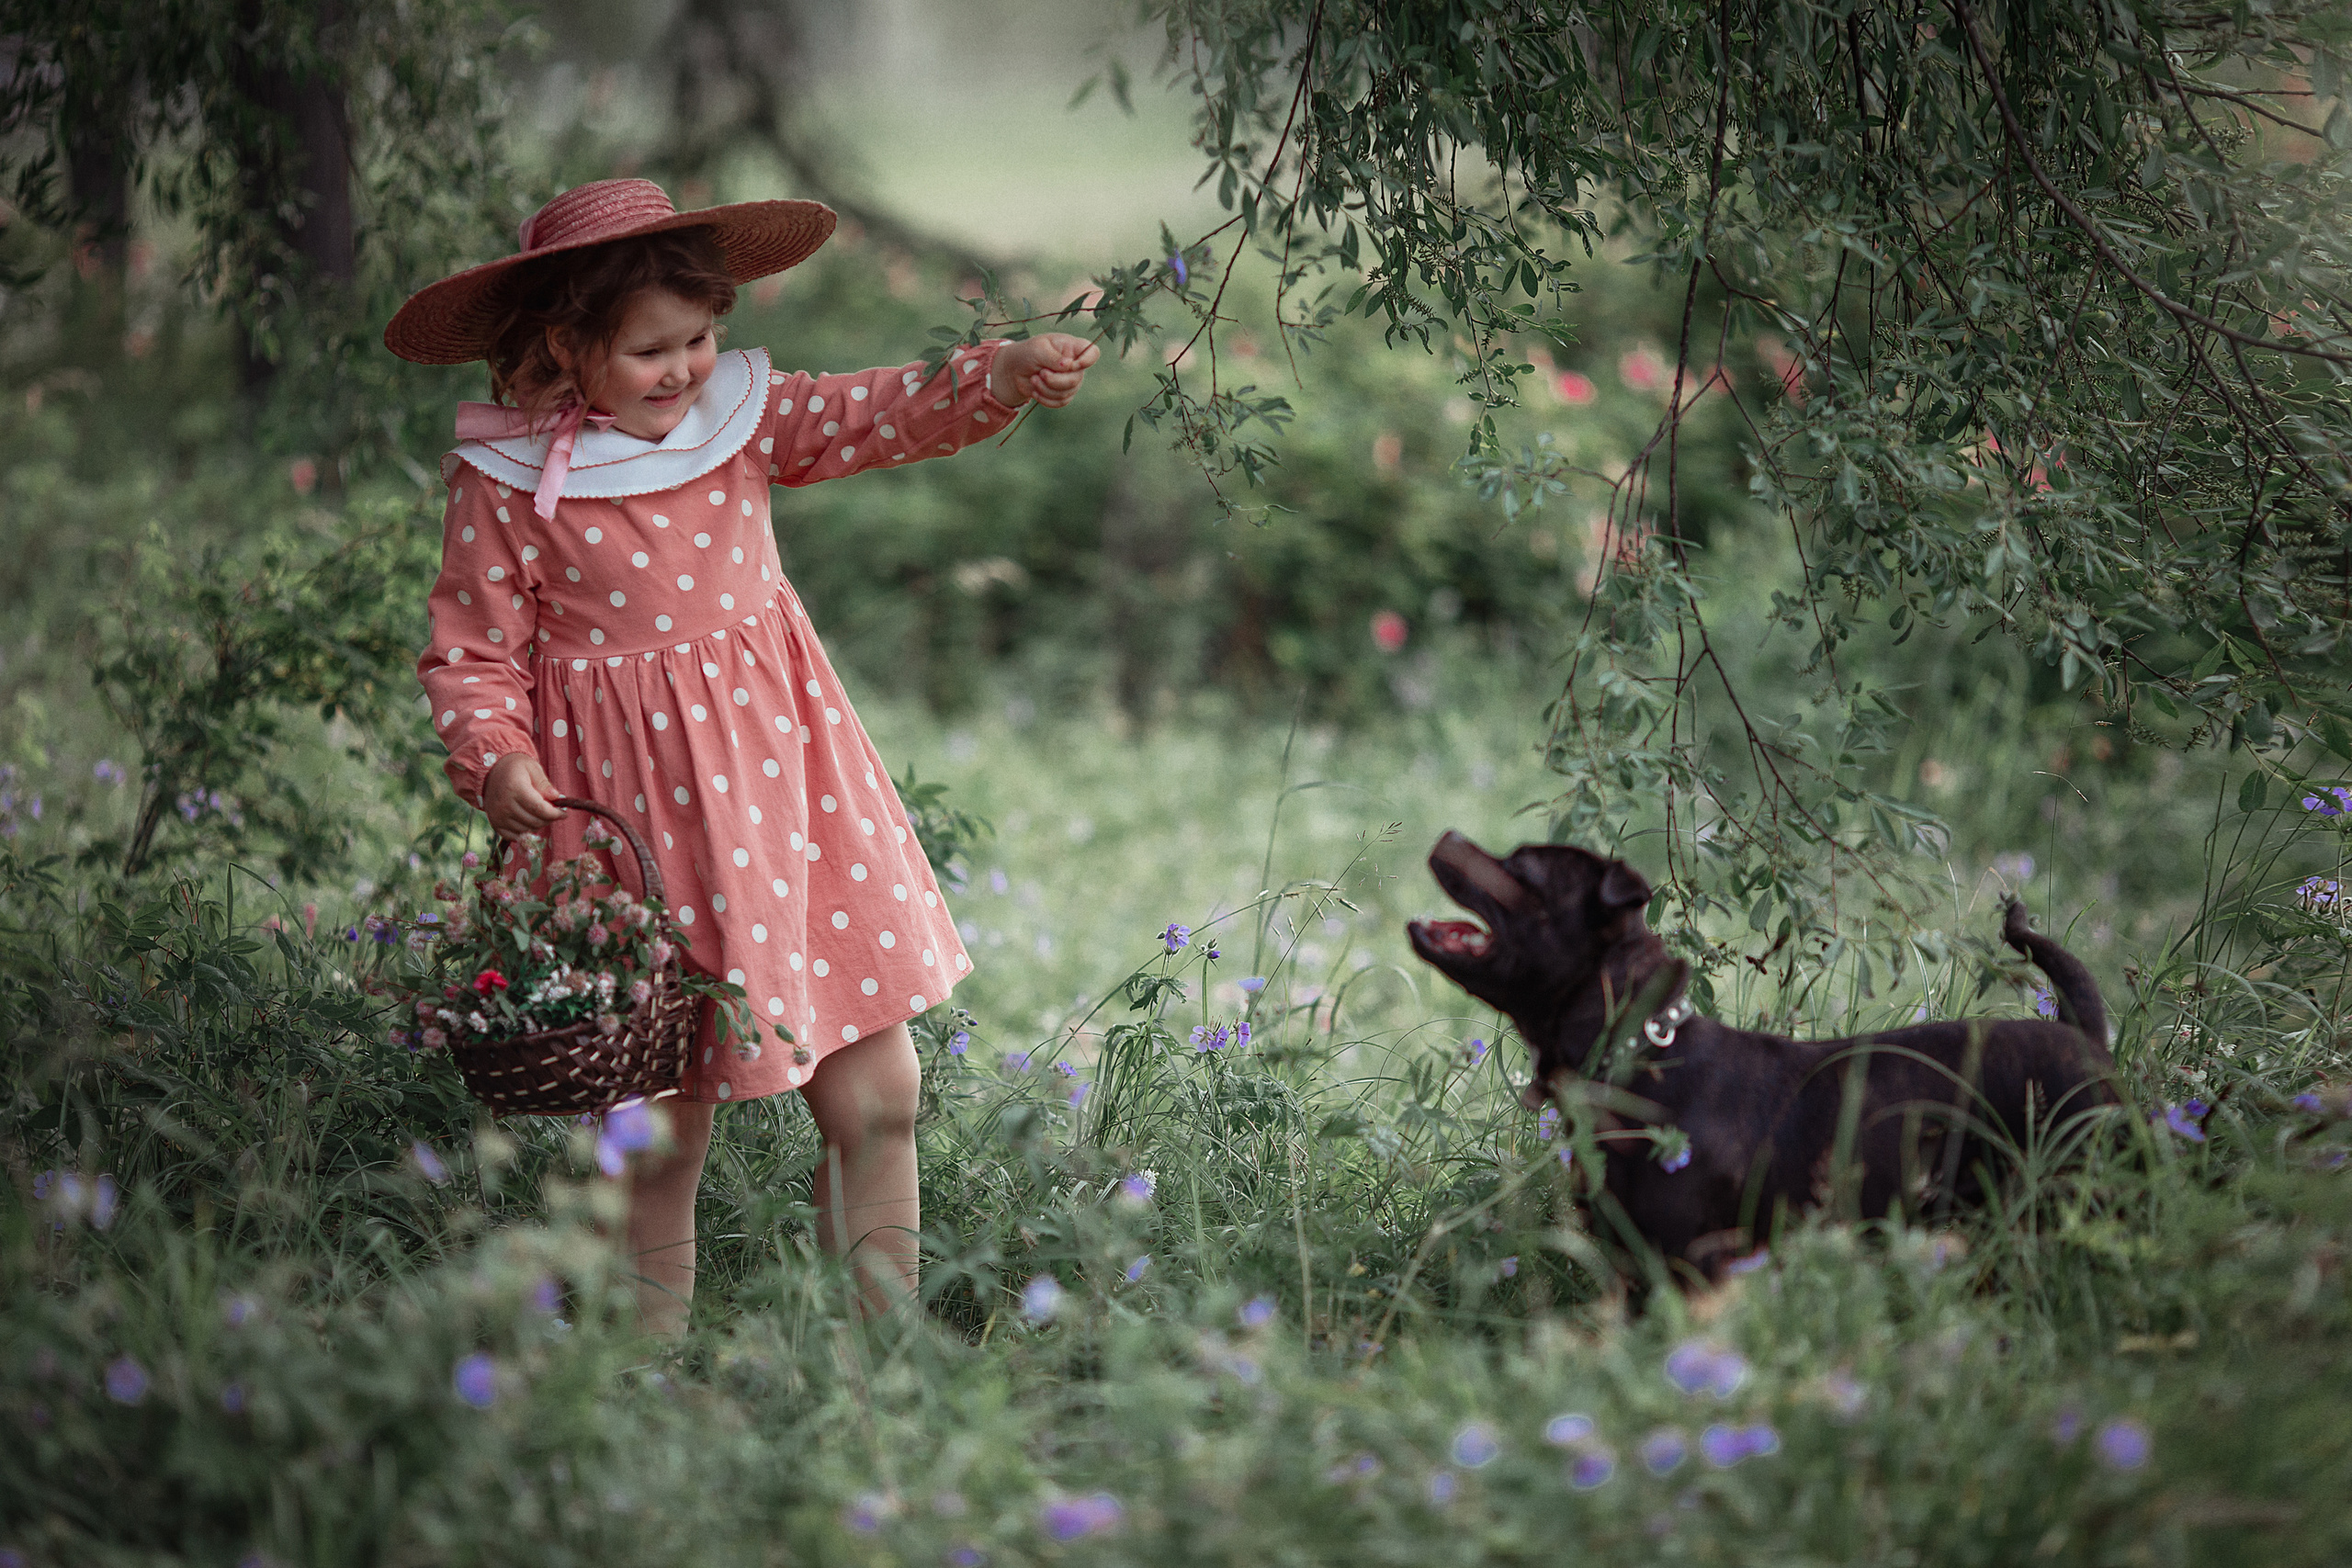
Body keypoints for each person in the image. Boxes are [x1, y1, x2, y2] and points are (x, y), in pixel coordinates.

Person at [385, 178, 1097, 1330]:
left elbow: (871, 412)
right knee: (655, 1132)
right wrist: (496, 753)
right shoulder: (508, 483)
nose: (682, 371)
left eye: (699, 339)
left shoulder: (743, 420)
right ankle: (644, 1377)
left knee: (880, 1096)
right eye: (647, 350)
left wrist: (996, 375)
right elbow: (471, 648)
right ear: (567, 346)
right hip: (622, 836)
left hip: (788, 798)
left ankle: (883, 1351)